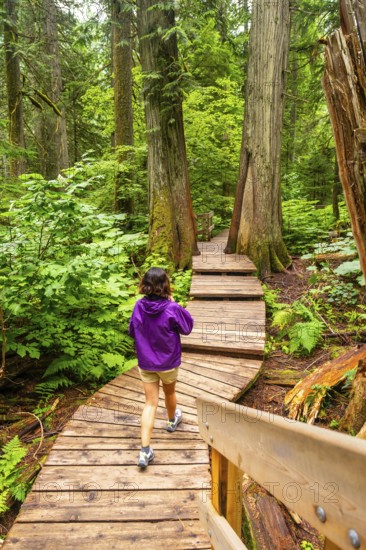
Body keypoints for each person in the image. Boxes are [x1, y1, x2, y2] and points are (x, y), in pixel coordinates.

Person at [128, 267, 194, 469]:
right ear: (165, 285)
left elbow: (132, 330)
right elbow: (187, 328)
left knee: (150, 403)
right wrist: (176, 304)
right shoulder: (171, 308)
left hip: (146, 362)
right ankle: (172, 419)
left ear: (145, 286)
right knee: (170, 392)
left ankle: (145, 450)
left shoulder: (139, 306)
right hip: (168, 362)